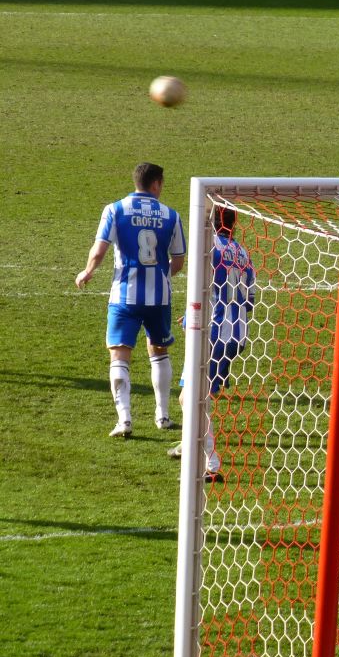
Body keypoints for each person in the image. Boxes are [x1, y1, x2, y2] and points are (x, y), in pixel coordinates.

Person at [75, 163, 186, 437]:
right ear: (156, 184)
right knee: (159, 351)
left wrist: (88, 271)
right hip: (159, 298)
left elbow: (99, 249)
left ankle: (124, 419)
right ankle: (163, 416)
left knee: (119, 353)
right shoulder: (171, 215)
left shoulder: (115, 210)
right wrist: (161, 275)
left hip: (124, 295)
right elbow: (179, 260)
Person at [168, 206, 257, 482]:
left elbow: (202, 290)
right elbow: (250, 299)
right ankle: (190, 443)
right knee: (199, 396)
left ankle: (212, 461)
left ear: (209, 223)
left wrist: (190, 321)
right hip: (237, 335)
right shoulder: (243, 254)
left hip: (212, 334)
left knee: (190, 398)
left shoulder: (208, 250)